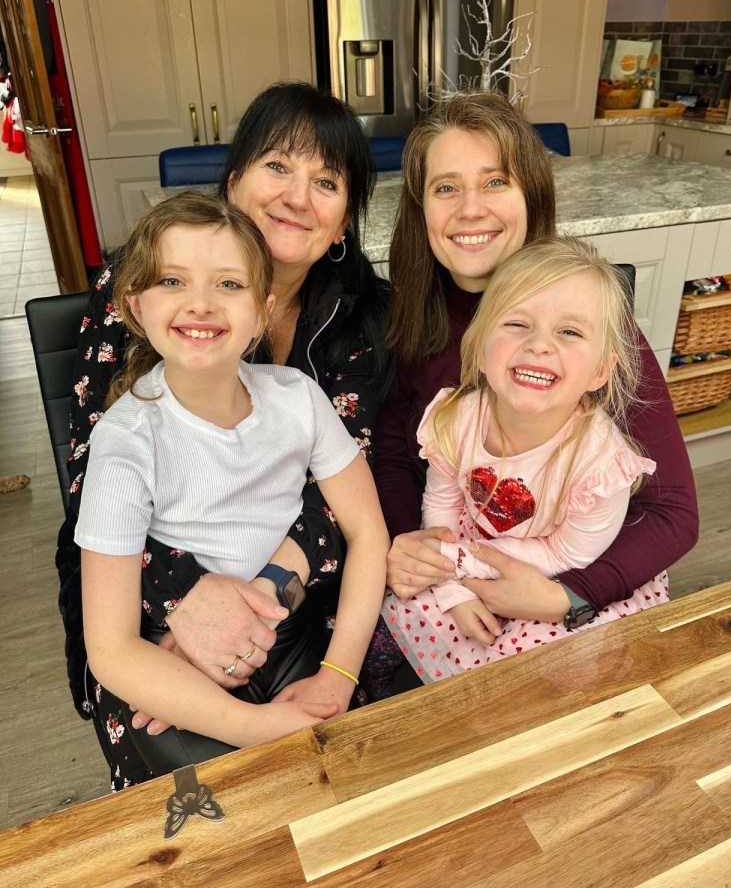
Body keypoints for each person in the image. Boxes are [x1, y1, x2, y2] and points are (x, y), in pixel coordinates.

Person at [56, 82, 390, 787]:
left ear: (343, 222)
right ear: (233, 180)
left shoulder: (348, 331)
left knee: (341, 785)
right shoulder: (143, 315)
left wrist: (263, 610)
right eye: (277, 166)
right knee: (208, 814)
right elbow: (98, 507)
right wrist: (187, 609)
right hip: (149, 608)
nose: (298, 196)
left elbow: (352, 515)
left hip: (300, 613)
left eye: (325, 181)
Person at [364, 91, 698, 695]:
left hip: (578, 573)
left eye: (495, 182)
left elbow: (675, 513)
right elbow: (395, 450)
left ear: (532, 197)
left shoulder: (592, 325)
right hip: (459, 563)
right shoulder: (415, 316)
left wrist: (564, 595)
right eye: (446, 188)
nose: (471, 209)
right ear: (420, 209)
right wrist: (407, 542)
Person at [381, 236, 662, 684]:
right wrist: (455, 587)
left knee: (546, 671)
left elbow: (566, 551)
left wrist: (466, 564)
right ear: (480, 349)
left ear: (600, 372)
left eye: (569, 332)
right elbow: (441, 508)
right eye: (516, 323)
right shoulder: (454, 418)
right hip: (474, 552)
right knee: (413, 599)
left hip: (564, 577)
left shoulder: (601, 465)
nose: (540, 345)